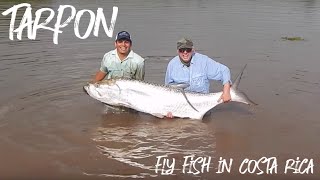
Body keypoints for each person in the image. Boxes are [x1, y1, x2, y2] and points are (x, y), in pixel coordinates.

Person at [165, 37, 232, 118]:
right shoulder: (172, 65)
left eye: (188, 50)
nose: (185, 53)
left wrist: (226, 90)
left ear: (193, 50)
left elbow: (224, 71)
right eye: (182, 50)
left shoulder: (203, 61)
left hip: (204, 106)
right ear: (177, 51)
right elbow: (167, 89)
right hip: (181, 108)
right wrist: (168, 110)